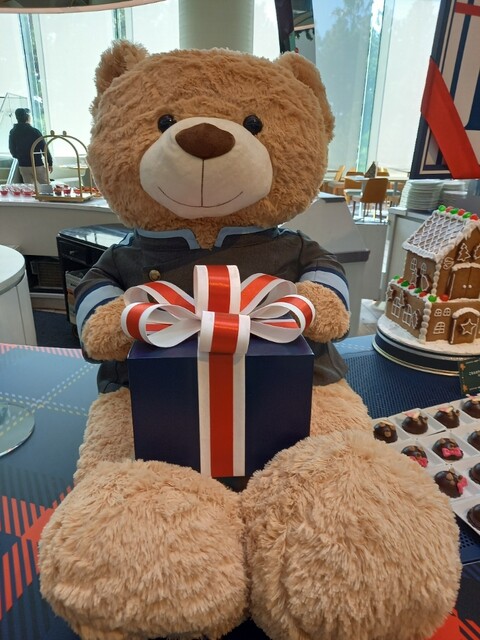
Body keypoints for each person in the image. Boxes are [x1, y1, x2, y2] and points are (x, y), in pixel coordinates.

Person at [8, 107, 53, 184]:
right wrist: (50, 162)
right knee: (46, 187)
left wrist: (20, 157)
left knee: (29, 188)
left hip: (23, 165)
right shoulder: (34, 131)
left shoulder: (13, 132)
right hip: (37, 164)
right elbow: (44, 148)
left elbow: (12, 149)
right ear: (27, 117)